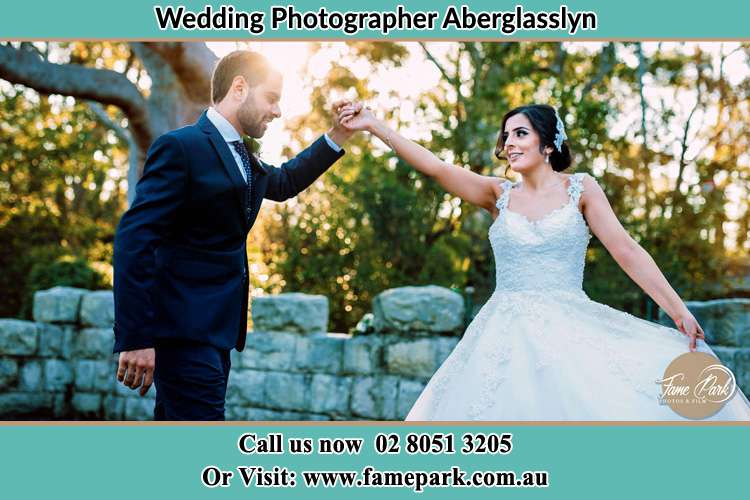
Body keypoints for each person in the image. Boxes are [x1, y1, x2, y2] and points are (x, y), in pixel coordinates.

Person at [339, 103, 750, 420]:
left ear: (548, 143)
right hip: (501, 333)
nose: (509, 143)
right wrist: (375, 125)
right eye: (507, 136)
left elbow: (625, 249)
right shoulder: (496, 194)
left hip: (571, 325)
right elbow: (434, 166)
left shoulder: (581, 188)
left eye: (521, 133)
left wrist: (677, 309)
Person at [113, 50, 356, 420]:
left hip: (216, 336)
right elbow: (134, 238)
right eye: (271, 98)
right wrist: (136, 337)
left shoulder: (245, 157)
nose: (277, 111)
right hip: (184, 335)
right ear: (240, 87)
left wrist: (337, 135)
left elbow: (285, 181)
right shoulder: (182, 147)